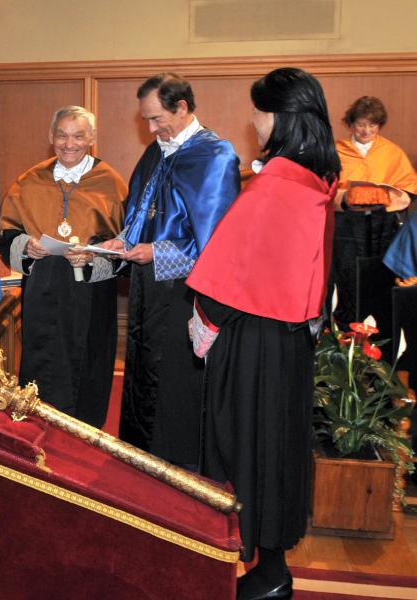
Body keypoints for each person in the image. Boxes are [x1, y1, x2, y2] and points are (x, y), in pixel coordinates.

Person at [186, 67, 340, 600]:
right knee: (276, 447)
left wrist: (203, 323)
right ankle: (274, 566)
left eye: (258, 109)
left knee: (247, 447)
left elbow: (229, 267)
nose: (253, 120)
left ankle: (271, 572)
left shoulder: (277, 181)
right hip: (291, 337)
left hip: (253, 341)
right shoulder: (316, 177)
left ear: (281, 115)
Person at [93, 73, 240, 469]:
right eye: (146, 120)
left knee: (173, 381)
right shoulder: (157, 151)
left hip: (184, 292)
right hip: (146, 285)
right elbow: (141, 213)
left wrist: (157, 254)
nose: (152, 128)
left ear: (183, 108)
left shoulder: (215, 156)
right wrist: (122, 242)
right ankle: (140, 455)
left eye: (157, 118)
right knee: (140, 366)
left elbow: (214, 245)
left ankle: (174, 466)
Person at [0, 106, 126, 428]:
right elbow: (6, 235)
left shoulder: (110, 183)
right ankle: (36, 429)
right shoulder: (30, 181)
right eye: (62, 135)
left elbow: (126, 245)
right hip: (43, 294)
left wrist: (95, 258)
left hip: (90, 299)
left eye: (79, 136)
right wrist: (25, 245)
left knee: (86, 369)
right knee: (41, 363)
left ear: (92, 138)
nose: (70, 144)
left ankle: (83, 437)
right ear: (50, 137)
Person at [331, 96, 417, 329]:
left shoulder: (392, 152)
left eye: (372, 125)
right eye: (360, 124)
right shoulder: (335, 151)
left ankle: (381, 339)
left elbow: (408, 187)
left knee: (379, 280)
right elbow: (326, 186)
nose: (366, 130)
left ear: (379, 126)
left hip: (383, 228)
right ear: (350, 124)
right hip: (346, 229)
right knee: (347, 282)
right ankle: (345, 334)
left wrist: (387, 195)